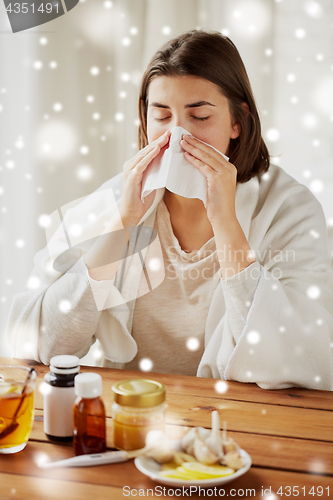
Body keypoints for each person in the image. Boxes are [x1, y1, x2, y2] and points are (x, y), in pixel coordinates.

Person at [7, 30, 333, 390]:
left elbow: (297, 357)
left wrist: (224, 221)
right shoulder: (118, 198)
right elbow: (45, 343)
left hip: (243, 422)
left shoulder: (289, 208)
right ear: (145, 122)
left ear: (238, 121)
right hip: (133, 414)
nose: (178, 137)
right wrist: (124, 223)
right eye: (162, 116)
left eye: (199, 116)